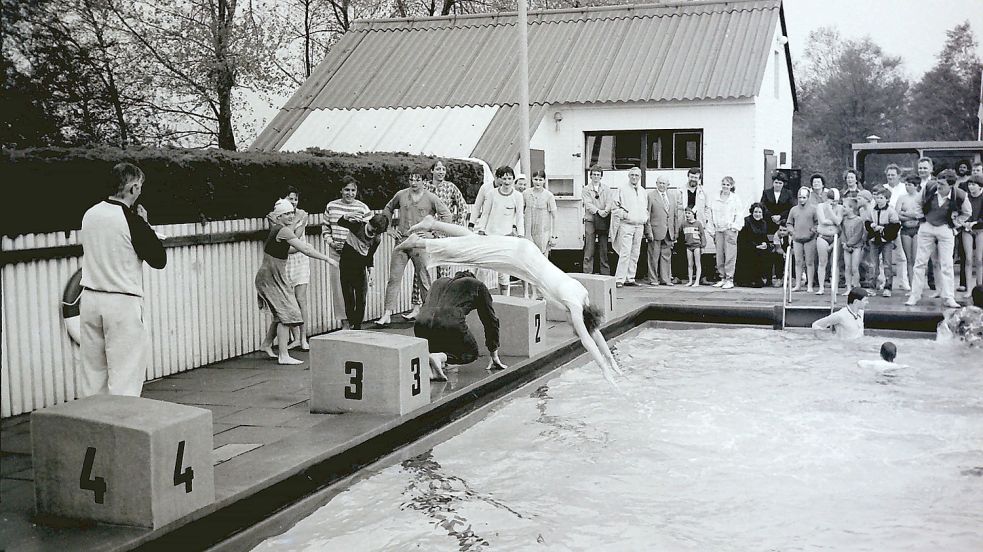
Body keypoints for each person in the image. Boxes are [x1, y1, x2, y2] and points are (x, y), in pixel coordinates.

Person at [400, 216, 623, 383]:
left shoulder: (582, 295)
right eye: (573, 322)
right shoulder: (574, 305)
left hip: (525, 254)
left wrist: (613, 363)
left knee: (475, 241)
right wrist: (604, 368)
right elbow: (586, 339)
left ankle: (433, 224)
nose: (569, 321)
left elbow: (595, 332)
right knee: (473, 252)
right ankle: (421, 244)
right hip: (519, 258)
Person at [79, 162, 167, 397]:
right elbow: (158, 259)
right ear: (133, 188)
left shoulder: (90, 214)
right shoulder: (132, 220)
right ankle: (121, 427)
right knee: (125, 375)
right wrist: (146, 225)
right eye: (139, 187)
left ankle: (94, 424)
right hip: (121, 300)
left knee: (93, 373)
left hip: (89, 297)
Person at [256, 199, 336, 365]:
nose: (290, 216)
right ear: (278, 217)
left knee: (281, 313)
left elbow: (290, 250)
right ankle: (283, 355)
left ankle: (266, 344)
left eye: (291, 212)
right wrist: (327, 259)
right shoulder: (282, 230)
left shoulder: (278, 231)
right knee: (288, 314)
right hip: (271, 279)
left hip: (271, 277)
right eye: (286, 214)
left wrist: (303, 247)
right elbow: (305, 249)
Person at [378, 171, 452, 326]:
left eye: (417, 179)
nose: (413, 183)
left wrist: (433, 233)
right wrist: (389, 228)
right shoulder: (401, 194)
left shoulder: (431, 197)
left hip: (419, 243)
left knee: (424, 278)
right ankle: (387, 314)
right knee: (394, 278)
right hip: (402, 240)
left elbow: (446, 215)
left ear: (423, 181)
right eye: (411, 179)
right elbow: (388, 208)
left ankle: (429, 314)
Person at [414, 270, 507, 381]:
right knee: (470, 352)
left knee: (441, 341)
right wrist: (494, 353)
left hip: (420, 324)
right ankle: (439, 357)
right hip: (449, 322)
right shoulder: (478, 285)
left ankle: (433, 366)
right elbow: (490, 321)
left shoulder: (438, 282)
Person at [905, 168, 972, 309]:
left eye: (942, 184)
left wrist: (955, 225)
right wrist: (921, 218)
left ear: (951, 185)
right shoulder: (929, 187)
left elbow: (967, 212)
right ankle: (915, 295)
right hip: (927, 225)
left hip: (945, 228)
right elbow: (917, 204)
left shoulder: (960, 195)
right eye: (938, 182)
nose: (939, 186)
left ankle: (949, 297)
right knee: (920, 262)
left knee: (947, 264)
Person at [323, 176, 372, 329]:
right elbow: (325, 229)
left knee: (357, 291)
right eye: (346, 190)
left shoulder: (363, 208)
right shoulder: (331, 206)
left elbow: (369, 234)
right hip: (336, 253)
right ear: (341, 190)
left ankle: (355, 323)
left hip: (356, 256)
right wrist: (331, 242)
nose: (349, 193)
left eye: (353, 190)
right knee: (339, 289)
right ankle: (344, 323)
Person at [476, 165, 525, 295]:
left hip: (506, 237)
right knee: (483, 269)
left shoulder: (518, 196)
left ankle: (506, 299)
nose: (507, 181)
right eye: (504, 178)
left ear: (513, 179)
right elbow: (485, 213)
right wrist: (481, 229)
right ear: (500, 179)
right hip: (489, 235)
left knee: (504, 272)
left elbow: (520, 216)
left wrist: (520, 235)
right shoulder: (492, 194)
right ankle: (477, 296)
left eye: (509, 178)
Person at [337, 213, 389, 330]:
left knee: (361, 298)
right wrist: (347, 216)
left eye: (376, 232)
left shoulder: (376, 239)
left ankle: (357, 326)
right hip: (346, 264)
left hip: (360, 267)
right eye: (372, 229)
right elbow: (340, 222)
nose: (373, 233)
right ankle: (350, 321)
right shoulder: (358, 226)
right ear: (369, 222)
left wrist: (371, 272)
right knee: (349, 296)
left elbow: (370, 256)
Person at [275, 186, 311, 350]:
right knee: (286, 299)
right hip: (284, 259)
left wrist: (295, 223)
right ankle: (293, 337)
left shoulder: (303, 215)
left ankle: (303, 338)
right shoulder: (276, 215)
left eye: (296, 199)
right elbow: (283, 237)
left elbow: (295, 237)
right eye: (291, 199)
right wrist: (294, 222)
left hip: (300, 259)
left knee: (301, 299)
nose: (294, 203)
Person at [426, 160, 470, 279]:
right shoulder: (425, 187)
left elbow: (463, 206)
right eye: (438, 169)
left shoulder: (450, 187)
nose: (441, 172)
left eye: (443, 169)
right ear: (432, 170)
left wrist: (456, 226)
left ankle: (443, 297)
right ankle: (419, 298)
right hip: (427, 233)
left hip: (445, 235)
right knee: (422, 271)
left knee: (444, 273)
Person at [613, 167, 648, 288]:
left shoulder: (643, 191)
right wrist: (626, 215)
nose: (634, 177)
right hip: (627, 225)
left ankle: (630, 277)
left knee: (635, 253)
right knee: (625, 253)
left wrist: (645, 217)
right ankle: (619, 279)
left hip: (639, 226)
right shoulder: (621, 189)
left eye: (636, 175)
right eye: (632, 175)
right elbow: (615, 208)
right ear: (629, 176)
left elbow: (645, 208)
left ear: (640, 177)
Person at [674, 167, 710, 283]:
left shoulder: (703, 192)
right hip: (684, 224)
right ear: (688, 176)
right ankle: (679, 276)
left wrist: (705, 220)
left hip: (697, 224)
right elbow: (676, 208)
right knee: (680, 249)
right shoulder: (680, 190)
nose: (693, 179)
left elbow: (707, 208)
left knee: (700, 250)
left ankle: (702, 277)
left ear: (699, 179)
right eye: (692, 176)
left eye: (696, 177)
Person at [709, 176, 744, 289]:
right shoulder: (715, 198)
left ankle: (730, 279)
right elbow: (710, 213)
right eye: (724, 184)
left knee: (730, 255)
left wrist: (734, 227)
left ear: (732, 186)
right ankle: (722, 277)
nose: (725, 186)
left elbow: (739, 214)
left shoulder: (735, 199)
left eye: (728, 185)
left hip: (729, 230)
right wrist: (712, 229)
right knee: (719, 255)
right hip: (718, 230)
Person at [865, 188, 901, 297]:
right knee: (873, 264)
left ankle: (888, 287)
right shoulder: (872, 210)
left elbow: (896, 225)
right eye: (877, 198)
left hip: (886, 240)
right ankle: (872, 286)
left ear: (887, 199)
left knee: (887, 264)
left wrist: (883, 228)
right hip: (874, 240)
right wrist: (871, 226)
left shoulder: (891, 211)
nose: (879, 200)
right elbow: (867, 222)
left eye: (881, 198)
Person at [644, 175, 679, 286]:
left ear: (668, 185)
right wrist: (648, 231)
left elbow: (675, 215)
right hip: (655, 231)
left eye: (664, 183)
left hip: (669, 231)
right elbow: (647, 215)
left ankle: (666, 279)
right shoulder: (650, 196)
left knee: (666, 256)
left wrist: (675, 231)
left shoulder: (672, 197)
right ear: (656, 183)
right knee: (653, 256)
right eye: (660, 183)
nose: (662, 185)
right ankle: (653, 279)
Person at [583, 165, 613, 275]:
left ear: (601, 176)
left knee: (604, 247)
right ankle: (587, 272)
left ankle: (605, 273)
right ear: (590, 176)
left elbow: (610, 201)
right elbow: (588, 204)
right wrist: (598, 211)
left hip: (603, 220)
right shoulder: (586, 189)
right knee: (589, 247)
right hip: (591, 220)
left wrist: (606, 211)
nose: (596, 176)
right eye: (594, 174)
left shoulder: (606, 188)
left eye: (598, 175)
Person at [787, 187, 818, 293]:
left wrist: (812, 232)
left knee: (809, 262)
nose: (801, 200)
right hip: (797, 239)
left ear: (808, 198)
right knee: (798, 262)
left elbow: (817, 223)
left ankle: (809, 285)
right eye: (800, 197)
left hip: (810, 239)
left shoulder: (813, 209)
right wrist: (792, 232)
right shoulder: (793, 209)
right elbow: (789, 223)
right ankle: (798, 284)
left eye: (804, 197)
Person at [896, 175, 924, 294]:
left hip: (918, 229)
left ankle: (919, 287)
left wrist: (906, 214)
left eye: (910, 185)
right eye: (906, 184)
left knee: (917, 259)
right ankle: (912, 287)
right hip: (905, 230)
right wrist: (911, 215)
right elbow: (897, 214)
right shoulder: (902, 198)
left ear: (916, 186)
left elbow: (921, 214)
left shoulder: (920, 197)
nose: (907, 187)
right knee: (909, 259)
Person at [816, 189, 844, 295]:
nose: (834, 203)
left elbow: (838, 221)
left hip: (835, 237)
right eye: (832, 201)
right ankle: (821, 287)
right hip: (823, 236)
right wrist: (832, 217)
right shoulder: (820, 206)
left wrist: (830, 210)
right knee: (822, 262)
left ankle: (835, 288)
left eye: (836, 201)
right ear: (828, 199)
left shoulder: (840, 208)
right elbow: (823, 221)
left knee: (835, 263)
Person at [735, 202, 770, 287]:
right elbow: (743, 239)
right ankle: (748, 279)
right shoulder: (746, 221)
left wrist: (765, 244)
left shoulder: (764, 223)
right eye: (755, 212)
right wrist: (755, 246)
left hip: (759, 247)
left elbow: (764, 237)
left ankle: (763, 277)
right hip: (747, 248)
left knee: (767, 252)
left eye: (759, 212)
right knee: (755, 253)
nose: (757, 214)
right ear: (752, 212)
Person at [840, 198, 866, 297]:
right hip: (847, 247)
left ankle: (855, 288)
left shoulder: (858, 220)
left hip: (856, 247)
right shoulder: (845, 220)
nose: (843, 208)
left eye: (845, 207)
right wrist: (844, 244)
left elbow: (858, 235)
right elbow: (842, 232)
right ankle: (848, 288)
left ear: (851, 209)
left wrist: (849, 244)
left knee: (855, 268)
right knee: (847, 267)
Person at [961, 175, 983, 292]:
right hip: (967, 229)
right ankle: (969, 289)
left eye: (974, 184)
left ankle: (980, 287)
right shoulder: (965, 197)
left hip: (980, 229)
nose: (971, 187)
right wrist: (964, 223)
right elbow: (960, 212)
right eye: (969, 184)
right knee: (968, 259)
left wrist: (975, 223)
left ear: (980, 186)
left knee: (979, 259)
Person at [678, 207, 706, 286]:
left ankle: (697, 281)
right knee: (690, 264)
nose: (687, 215)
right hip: (688, 246)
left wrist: (703, 246)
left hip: (696, 245)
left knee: (697, 263)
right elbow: (680, 233)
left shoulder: (698, 224)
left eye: (689, 213)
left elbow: (702, 235)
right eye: (686, 213)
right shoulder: (684, 224)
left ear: (693, 214)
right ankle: (690, 280)